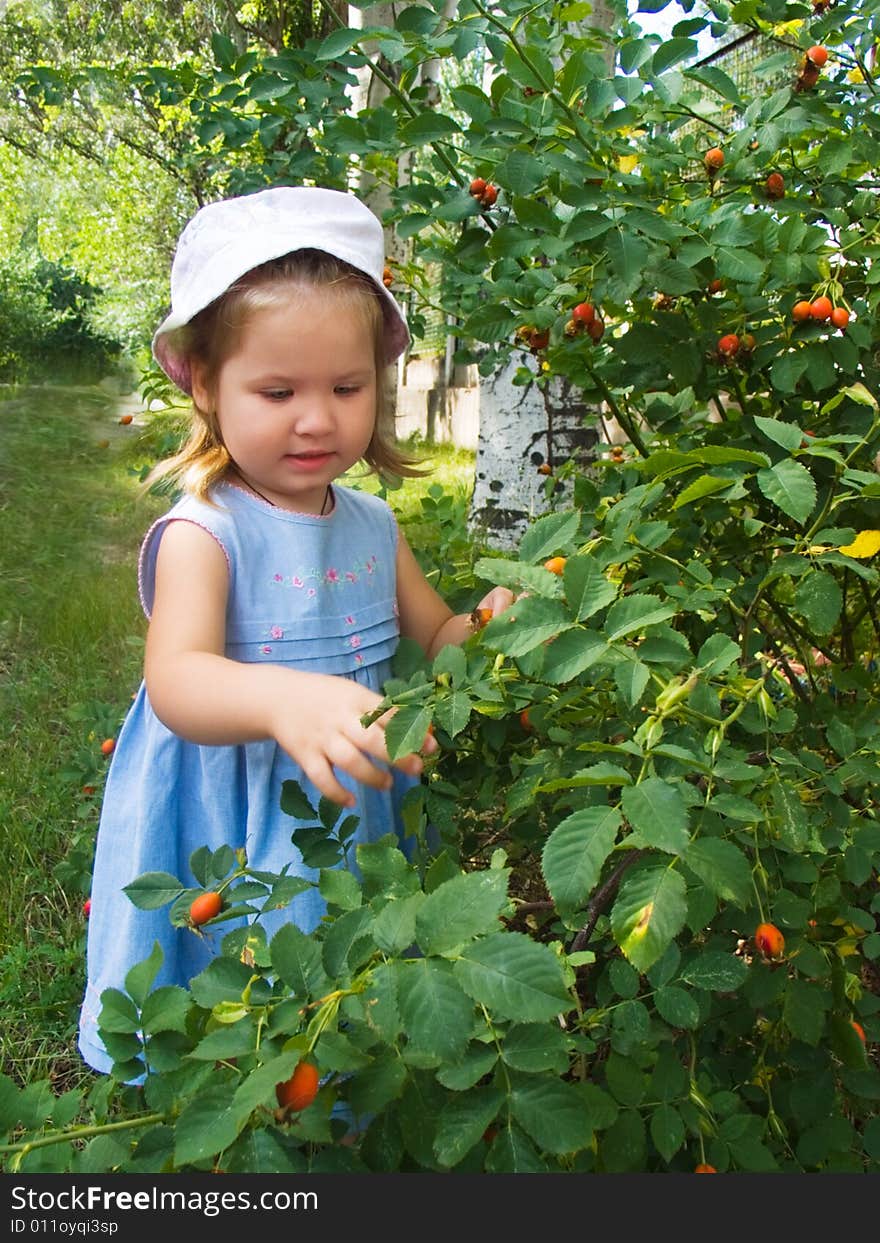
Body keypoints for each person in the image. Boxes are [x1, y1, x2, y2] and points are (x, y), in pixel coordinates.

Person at [78, 185, 515, 1075]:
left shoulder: (371, 526)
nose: (317, 417)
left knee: (350, 980)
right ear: (203, 381)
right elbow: (179, 680)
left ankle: (347, 1086)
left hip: (347, 797)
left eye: (346, 387)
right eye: (277, 390)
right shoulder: (208, 532)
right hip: (231, 813)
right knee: (241, 1005)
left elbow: (437, 639)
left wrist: (490, 629)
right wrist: (284, 699)